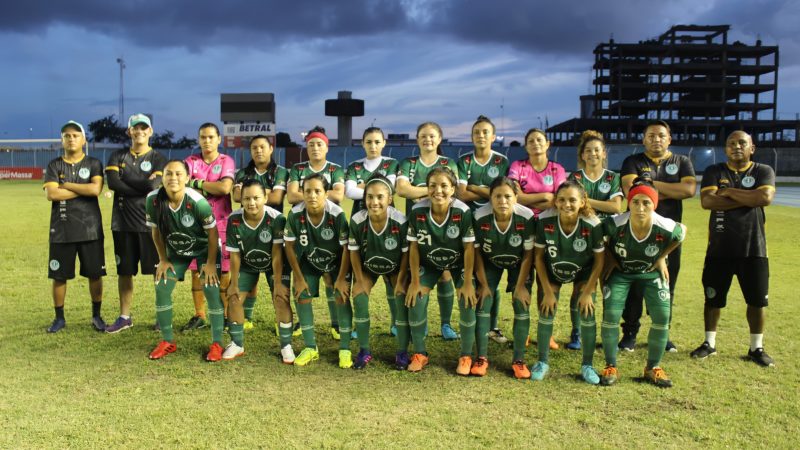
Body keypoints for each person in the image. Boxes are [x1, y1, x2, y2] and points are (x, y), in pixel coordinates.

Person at [690, 130, 776, 367]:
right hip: (719, 248)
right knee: (713, 299)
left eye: (742, 143)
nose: (736, 146)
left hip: (754, 248)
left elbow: (765, 198)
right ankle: (709, 344)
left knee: (757, 301)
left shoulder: (763, 171)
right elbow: (708, 202)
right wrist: (750, 197)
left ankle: (756, 348)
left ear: (752, 148)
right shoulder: (714, 171)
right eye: (731, 143)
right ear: (725, 148)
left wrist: (726, 193)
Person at [599, 178, 686, 387]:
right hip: (622, 272)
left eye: (646, 202)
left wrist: (661, 256)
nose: (640, 207)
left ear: (654, 204)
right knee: (610, 314)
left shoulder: (664, 225)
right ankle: (611, 365)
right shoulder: (614, 223)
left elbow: (681, 233)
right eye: (635, 201)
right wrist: (610, 258)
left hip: (649, 273)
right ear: (628, 203)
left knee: (662, 316)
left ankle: (653, 367)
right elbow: (598, 237)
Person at [618, 120, 695, 352]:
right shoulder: (632, 161)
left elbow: (689, 190)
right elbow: (630, 190)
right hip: (637, 230)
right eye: (651, 136)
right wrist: (667, 189)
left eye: (661, 135)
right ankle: (629, 333)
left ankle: (663, 332)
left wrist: (649, 185)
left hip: (668, 235)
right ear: (644, 139)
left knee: (666, 282)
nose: (656, 139)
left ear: (669, 139)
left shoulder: (682, 161)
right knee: (634, 284)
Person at [145, 160, 225, 361]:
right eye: (168, 174)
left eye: (178, 174)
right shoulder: (153, 200)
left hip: (205, 250)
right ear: (162, 176)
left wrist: (209, 263)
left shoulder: (197, 202)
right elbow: (155, 232)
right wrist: (163, 259)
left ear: (187, 178)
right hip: (177, 251)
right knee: (162, 285)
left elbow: (213, 234)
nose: (173, 178)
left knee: (211, 288)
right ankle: (167, 341)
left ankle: (217, 343)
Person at [530, 181, 605, 384]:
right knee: (546, 311)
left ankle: (587, 365)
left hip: (583, 272)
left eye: (572, 200)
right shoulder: (545, 220)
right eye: (561, 199)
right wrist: (546, 290)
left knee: (587, 311)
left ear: (582, 202)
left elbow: (599, 261)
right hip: (553, 270)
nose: (566, 204)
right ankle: (542, 362)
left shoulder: (592, 223)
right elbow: (538, 257)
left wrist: (588, 291)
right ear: (556, 201)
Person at [404, 167, 477, 373]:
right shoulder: (418, 211)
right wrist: (415, 281)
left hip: (457, 262)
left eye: (444, 186)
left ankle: (465, 355)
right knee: (416, 298)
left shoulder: (462, 211)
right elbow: (414, 247)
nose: (438, 190)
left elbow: (469, 248)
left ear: (453, 189)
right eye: (433, 185)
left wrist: (469, 282)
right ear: (427, 189)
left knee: (467, 299)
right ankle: (420, 353)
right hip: (429, 261)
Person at [396, 122, 460, 341]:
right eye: (423, 136)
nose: (427, 140)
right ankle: (418, 324)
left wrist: (421, 192)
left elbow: (454, 192)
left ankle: (445, 324)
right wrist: (434, 190)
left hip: (442, 227)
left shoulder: (448, 163)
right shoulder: (408, 163)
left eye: (432, 136)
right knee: (413, 272)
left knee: (444, 273)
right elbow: (402, 189)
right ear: (417, 139)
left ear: (439, 139)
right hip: (415, 226)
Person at [104, 113, 167, 333]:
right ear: (129, 131)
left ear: (150, 131)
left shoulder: (158, 158)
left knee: (157, 271)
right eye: (135, 128)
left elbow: (154, 187)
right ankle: (124, 317)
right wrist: (141, 183)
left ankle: (162, 315)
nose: (139, 132)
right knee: (124, 272)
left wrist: (125, 181)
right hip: (122, 224)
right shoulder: (118, 155)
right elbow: (113, 183)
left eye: (144, 128)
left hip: (150, 224)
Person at [42, 120, 106, 333]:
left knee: (95, 274)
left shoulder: (94, 163)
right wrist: (83, 189)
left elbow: (95, 190)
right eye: (67, 136)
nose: (71, 139)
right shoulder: (54, 165)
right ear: (62, 140)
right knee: (59, 276)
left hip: (90, 229)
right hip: (62, 230)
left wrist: (66, 185)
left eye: (75, 135)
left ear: (83, 139)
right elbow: (52, 194)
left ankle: (96, 316)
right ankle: (59, 318)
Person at [507, 127, 566, 350]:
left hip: (549, 229)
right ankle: (521, 332)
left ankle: (546, 332)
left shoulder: (557, 169)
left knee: (547, 281)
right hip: (521, 227)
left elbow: (559, 199)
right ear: (526, 146)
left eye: (539, 140)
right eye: (530, 141)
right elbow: (513, 196)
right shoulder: (517, 167)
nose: (535, 143)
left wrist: (527, 200)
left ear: (548, 143)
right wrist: (543, 196)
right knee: (521, 279)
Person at [283, 173, 350, 366]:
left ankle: (345, 348)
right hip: (309, 261)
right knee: (301, 294)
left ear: (326, 193)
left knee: (341, 295)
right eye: (307, 191)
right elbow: (289, 246)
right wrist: (298, 277)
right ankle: (311, 347)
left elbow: (346, 248)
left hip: (337, 262)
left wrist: (340, 278)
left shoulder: (337, 214)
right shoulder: (295, 214)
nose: (312, 195)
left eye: (317, 191)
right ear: (302, 193)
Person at [563, 130, 622, 349]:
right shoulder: (574, 178)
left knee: (608, 286)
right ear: (582, 155)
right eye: (588, 150)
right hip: (582, 238)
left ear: (604, 153)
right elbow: (570, 206)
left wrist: (585, 200)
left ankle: (608, 334)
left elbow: (616, 207)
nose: (593, 154)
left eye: (597, 150)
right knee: (581, 287)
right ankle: (577, 332)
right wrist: (588, 203)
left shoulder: (612, 177)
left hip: (608, 239)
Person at [286, 126, 347, 339]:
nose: (315, 148)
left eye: (319, 144)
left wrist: (310, 194)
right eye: (311, 144)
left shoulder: (336, 169)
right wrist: (317, 194)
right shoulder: (298, 168)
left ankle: (337, 324)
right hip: (304, 227)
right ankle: (303, 323)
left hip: (327, 224)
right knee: (302, 277)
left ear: (327, 147)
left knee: (332, 277)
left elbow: (339, 195)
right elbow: (291, 197)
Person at [472, 177, 534, 378]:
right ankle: (481, 357)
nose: (503, 201)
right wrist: (482, 283)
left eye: (508, 196)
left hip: (518, 263)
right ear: (490, 198)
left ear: (516, 197)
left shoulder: (527, 217)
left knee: (521, 303)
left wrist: (521, 285)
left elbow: (528, 255)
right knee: (483, 302)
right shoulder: (480, 216)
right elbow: (477, 253)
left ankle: (519, 360)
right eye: (497, 196)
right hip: (490, 261)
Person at [457, 115, 511, 345]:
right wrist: (488, 190)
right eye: (476, 132)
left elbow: (501, 192)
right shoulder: (464, 161)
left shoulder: (502, 161)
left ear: (493, 136)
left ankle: (493, 326)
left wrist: (476, 188)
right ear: (472, 136)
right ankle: (471, 324)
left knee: (491, 276)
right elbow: (461, 194)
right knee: (469, 274)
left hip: (493, 222)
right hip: (469, 223)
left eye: (485, 132)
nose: (480, 136)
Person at [225, 179, 292, 362]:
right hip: (247, 262)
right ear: (241, 200)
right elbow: (235, 254)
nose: (251, 202)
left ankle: (286, 345)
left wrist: (278, 283)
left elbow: (277, 253)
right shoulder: (234, 219)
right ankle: (237, 344)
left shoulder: (277, 219)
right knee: (233, 297)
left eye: (256, 198)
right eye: (247, 198)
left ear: (265, 198)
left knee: (281, 297)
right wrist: (234, 284)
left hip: (274, 264)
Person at [348, 174, 409, 369]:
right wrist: (358, 279)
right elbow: (354, 252)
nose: (374, 202)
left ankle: (401, 351)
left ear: (390, 199)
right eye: (369, 197)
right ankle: (364, 350)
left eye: (380, 197)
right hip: (368, 267)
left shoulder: (400, 221)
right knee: (358, 295)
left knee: (401, 296)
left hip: (395, 266)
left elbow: (406, 254)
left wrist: (400, 280)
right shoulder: (358, 220)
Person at [344, 127, 400, 335]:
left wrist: (364, 186)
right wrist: (375, 188)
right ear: (362, 144)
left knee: (390, 274)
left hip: (386, 224)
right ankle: (358, 325)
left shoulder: (391, 164)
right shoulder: (354, 166)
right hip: (360, 224)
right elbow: (349, 191)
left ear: (384, 143)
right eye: (369, 142)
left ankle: (395, 323)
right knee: (359, 270)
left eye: (377, 141)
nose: (373, 146)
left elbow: (390, 189)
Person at [232, 135, 288, 330]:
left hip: (274, 230)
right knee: (250, 275)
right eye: (254, 147)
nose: (258, 151)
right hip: (249, 230)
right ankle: (247, 317)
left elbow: (276, 197)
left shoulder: (280, 172)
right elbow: (238, 196)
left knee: (277, 279)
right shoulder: (242, 172)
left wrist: (252, 193)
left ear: (271, 149)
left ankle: (282, 320)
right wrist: (263, 193)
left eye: (262, 147)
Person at [182, 123, 235, 331]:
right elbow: (181, 186)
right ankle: (200, 315)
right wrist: (202, 185)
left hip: (221, 223)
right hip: (195, 225)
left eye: (211, 137)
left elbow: (224, 188)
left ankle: (223, 315)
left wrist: (196, 184)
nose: (207, 141)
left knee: (222, 272)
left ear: (219, 139)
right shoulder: (190, 162)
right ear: (199, 140)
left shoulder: (225, 161)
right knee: (197, 271)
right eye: (203, 137)